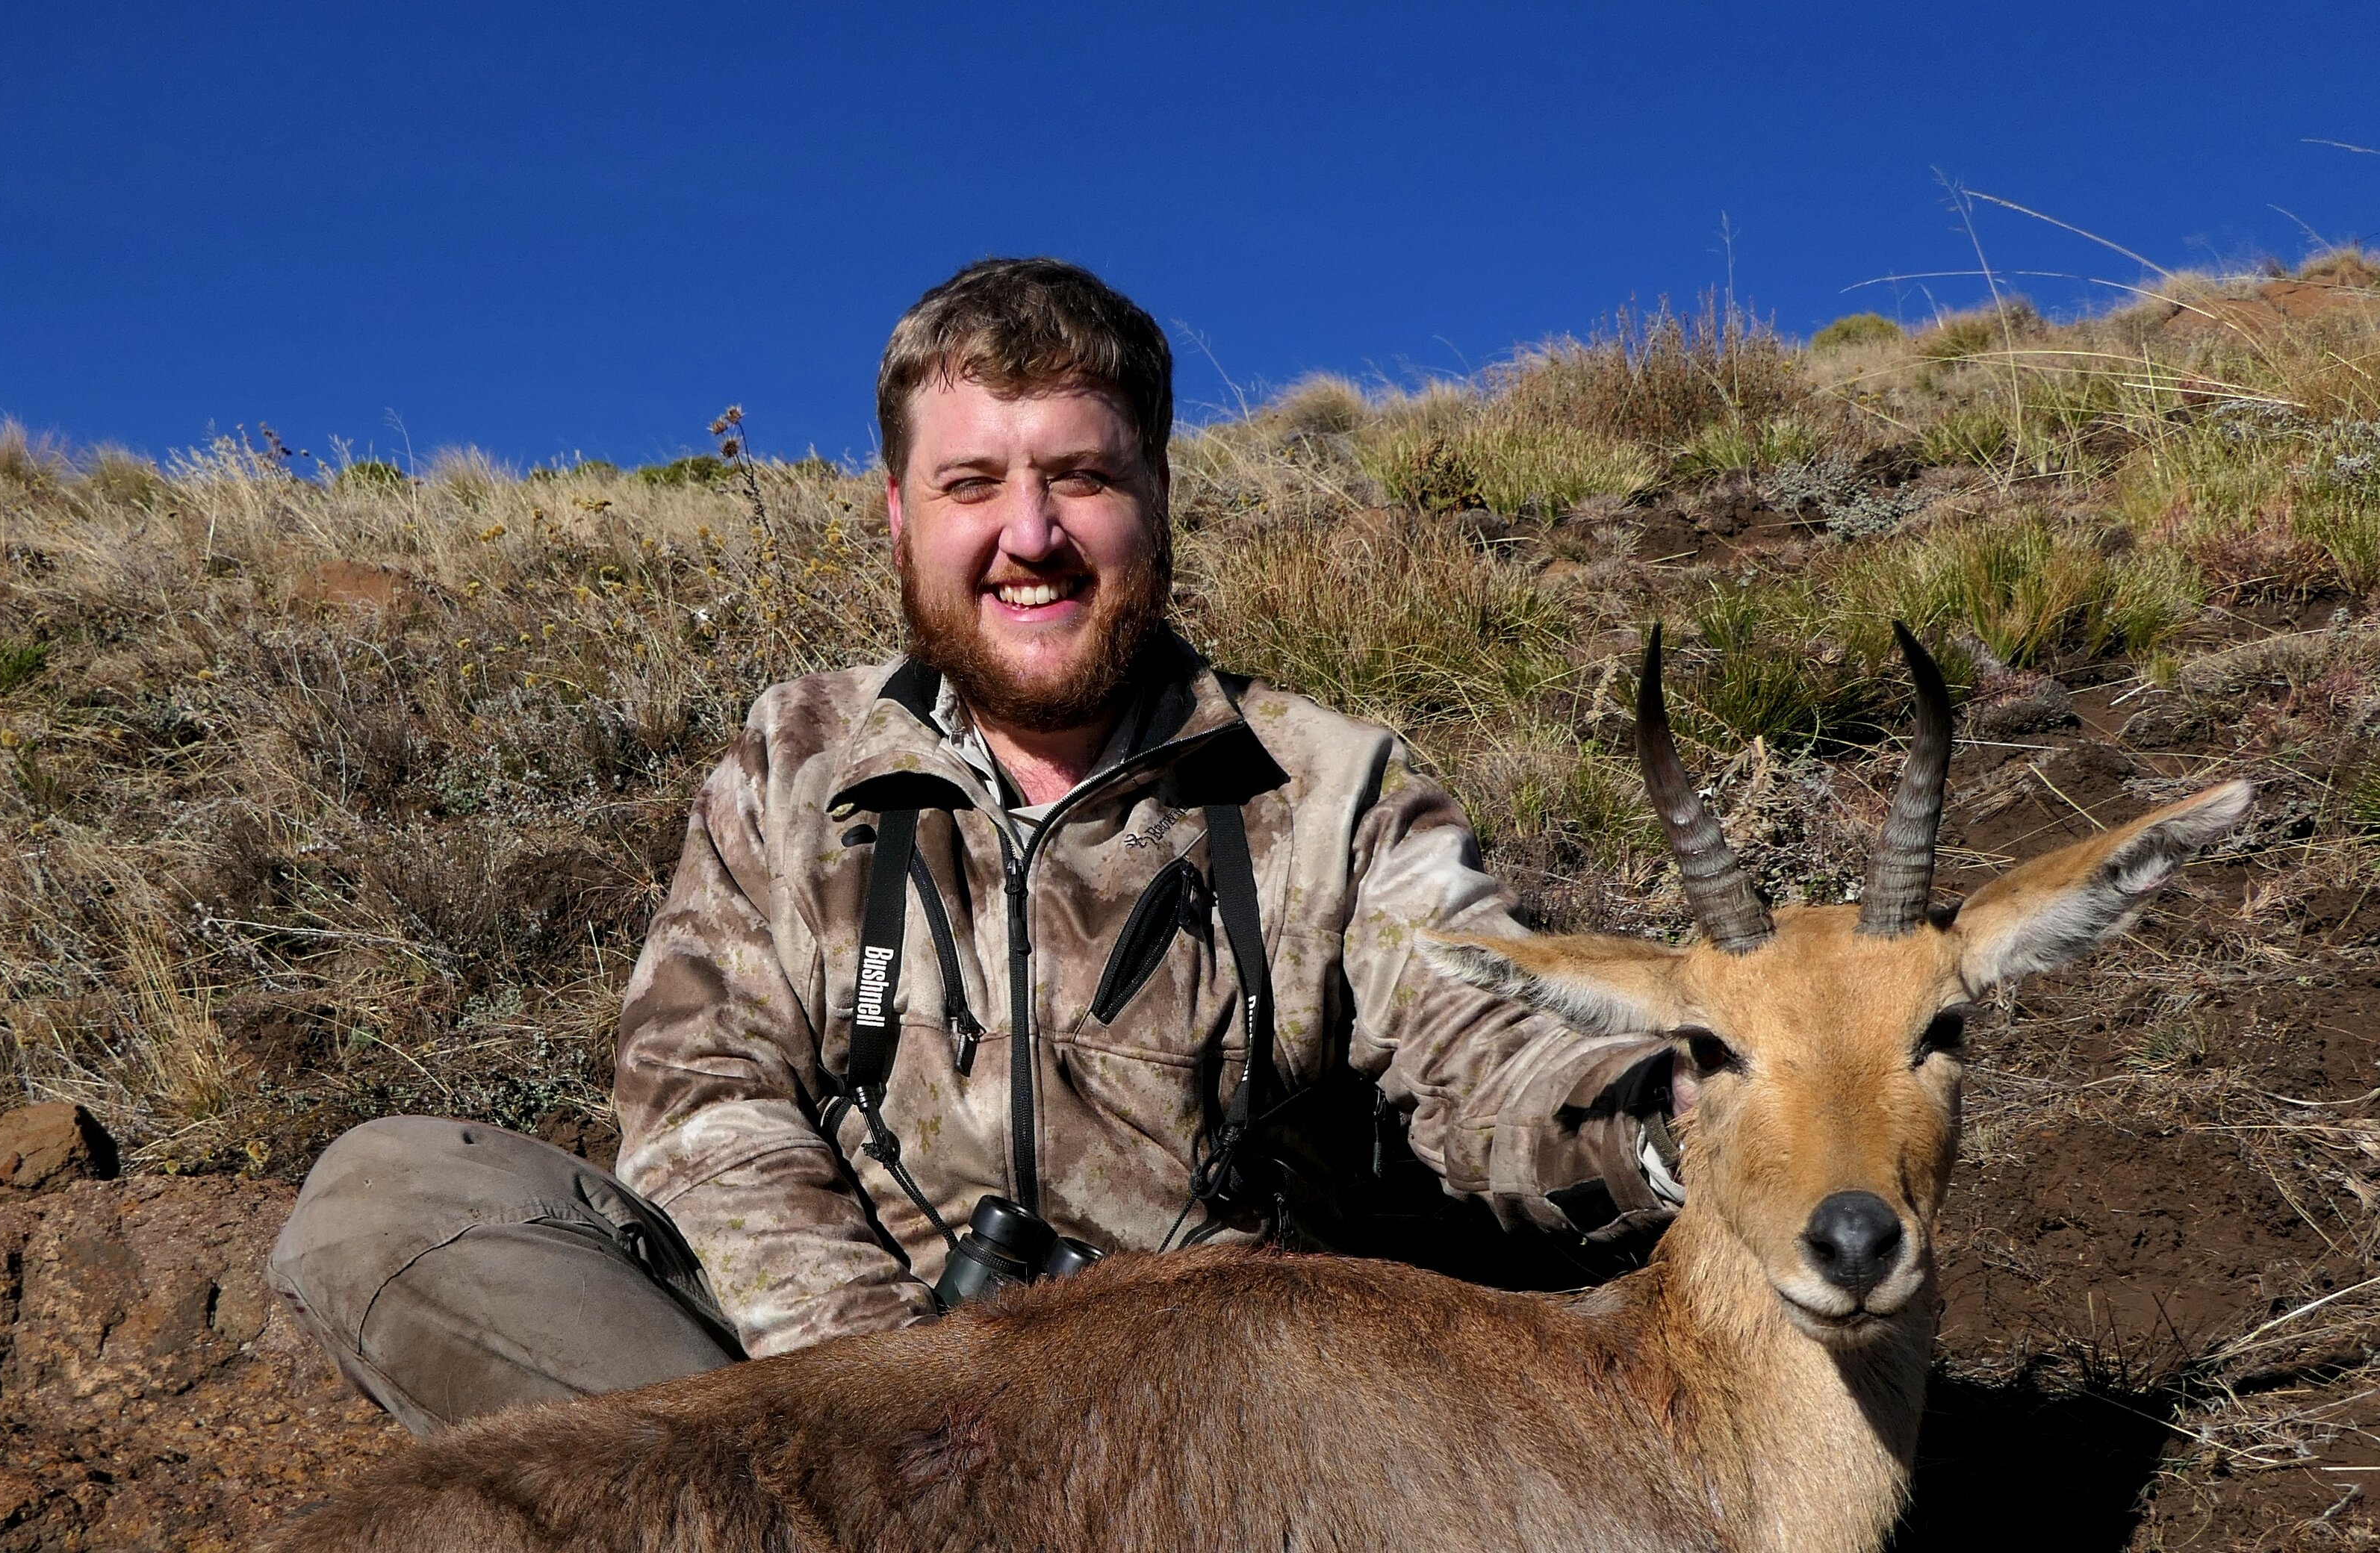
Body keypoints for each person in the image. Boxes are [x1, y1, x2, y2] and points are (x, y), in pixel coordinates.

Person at [270, 258, 1682, 1432]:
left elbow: (1485, 1038)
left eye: (1080, 477)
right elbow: (699, 1101)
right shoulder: (795, 764)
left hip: (1205, 1457)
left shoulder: (1330, 792)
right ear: (896, 515)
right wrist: (892, 1397)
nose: (1029, 535)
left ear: (1157, 500)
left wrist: (1680, 1122)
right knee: (394, 1200)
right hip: (832, 1420)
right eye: (970, 486)